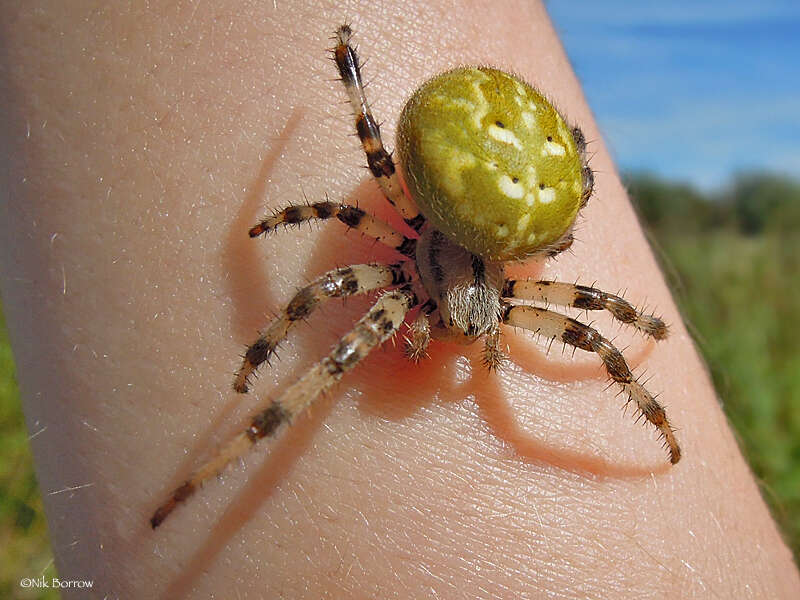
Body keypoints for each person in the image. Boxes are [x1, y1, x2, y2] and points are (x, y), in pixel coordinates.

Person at [1, 2, 797, 597]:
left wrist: (651, 366)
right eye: (449, 318)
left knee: (596, 336)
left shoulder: (503, 282)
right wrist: (259, 352)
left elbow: (610, 329)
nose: (451, 332)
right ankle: (213, 470)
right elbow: (328, 250)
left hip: (506, 181)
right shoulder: (391, 269)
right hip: (481, 171)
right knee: (343, 346)